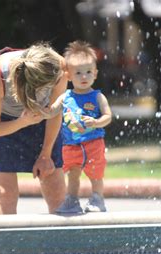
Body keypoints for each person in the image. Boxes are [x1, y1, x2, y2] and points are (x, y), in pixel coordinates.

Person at [0, 43, 67, 214]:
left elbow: (56, 112)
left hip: (43, 120)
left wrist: (46, 154)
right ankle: (5, 240)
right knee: (7, 197)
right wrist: (22, 122)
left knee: (56, 191)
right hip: (3, 123)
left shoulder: (58, 67)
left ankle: (61, 240)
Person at [54, 40, 112, 215]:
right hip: (71, 144)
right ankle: (71, 200)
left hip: (93, 142)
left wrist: (96, 122)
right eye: (78, 73)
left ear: (95, 73)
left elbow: (108, 116)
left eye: (88, 72)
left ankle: (97, 198)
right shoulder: (66, 97)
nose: (84, 77)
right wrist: (39, 111)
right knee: (73, 174)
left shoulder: (98, 96)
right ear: (68, 76)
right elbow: (52, 110)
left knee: (96, 174)